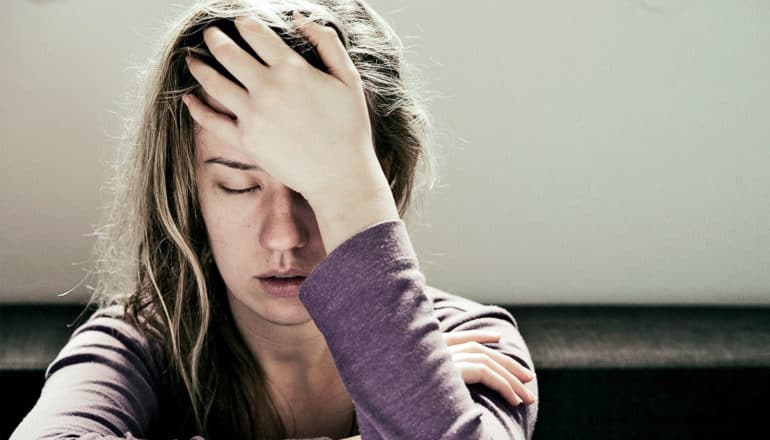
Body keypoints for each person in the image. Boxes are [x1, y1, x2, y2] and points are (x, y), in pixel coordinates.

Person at [11, 0, 539, 439]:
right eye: (239, 184)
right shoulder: (138, 347)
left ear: (383, 182)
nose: (284, 235)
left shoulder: (475, 341)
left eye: (318, 188)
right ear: (188, 191)